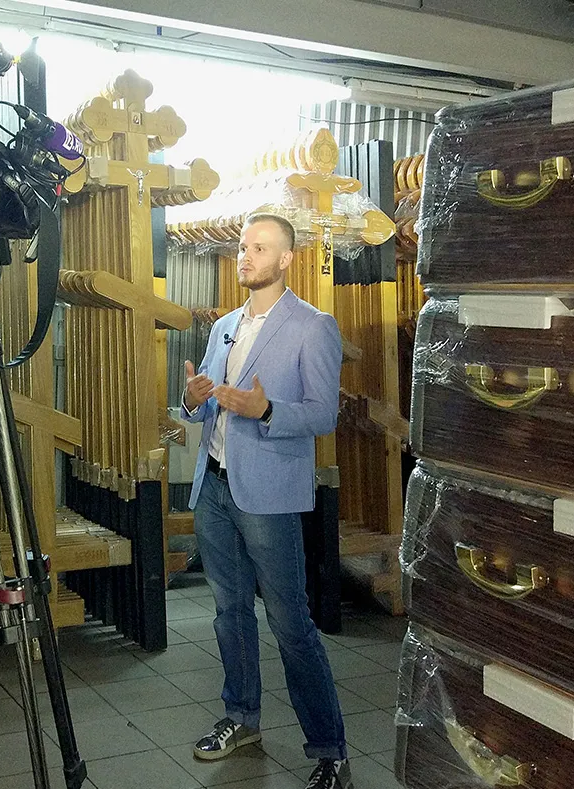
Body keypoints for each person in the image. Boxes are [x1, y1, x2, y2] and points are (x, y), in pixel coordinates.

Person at [181, 213, 352, 789]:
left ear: (286, 259)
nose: (246, 256)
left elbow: (324, 413)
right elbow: (205, 406)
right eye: (242, 247)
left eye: (259, 248)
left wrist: (268, 410)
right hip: (215, 487)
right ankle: (241, 717)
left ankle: (329, 751)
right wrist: (193, 399)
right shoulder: (224, 327)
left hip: (269, 496)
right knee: (229, 612)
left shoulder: (313, 326)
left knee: (290, 623)